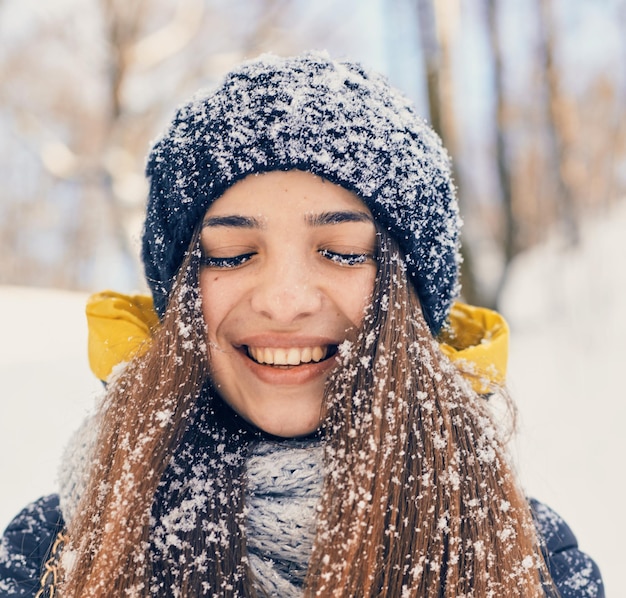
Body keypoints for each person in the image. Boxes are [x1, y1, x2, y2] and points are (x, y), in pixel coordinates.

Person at [0, 51, 603, 597]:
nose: (284, 302)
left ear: (412, 298)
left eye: (340, 250)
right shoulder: (47, 556)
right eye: (232, 255)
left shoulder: (537, 562)